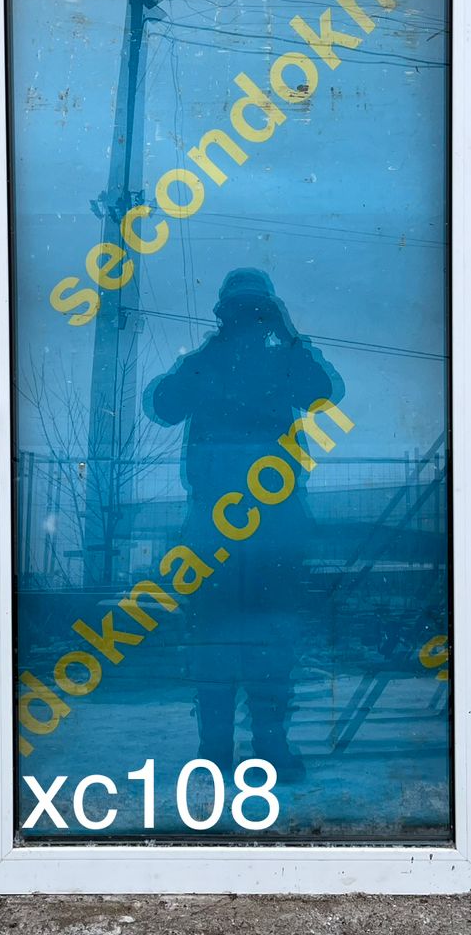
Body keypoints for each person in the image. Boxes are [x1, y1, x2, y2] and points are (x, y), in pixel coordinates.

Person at [144, 269, 345, 783]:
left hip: (229, 527)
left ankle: (224, 749)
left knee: (226, 636)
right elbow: (163, 405)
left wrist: (273, 341)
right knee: (261, 636)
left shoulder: (241, 362)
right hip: (260, 523)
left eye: (252, 314)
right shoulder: (257, 361)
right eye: (245, 314)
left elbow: (324, 393)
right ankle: (256, 747)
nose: (247, 323)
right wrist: (285, 336)